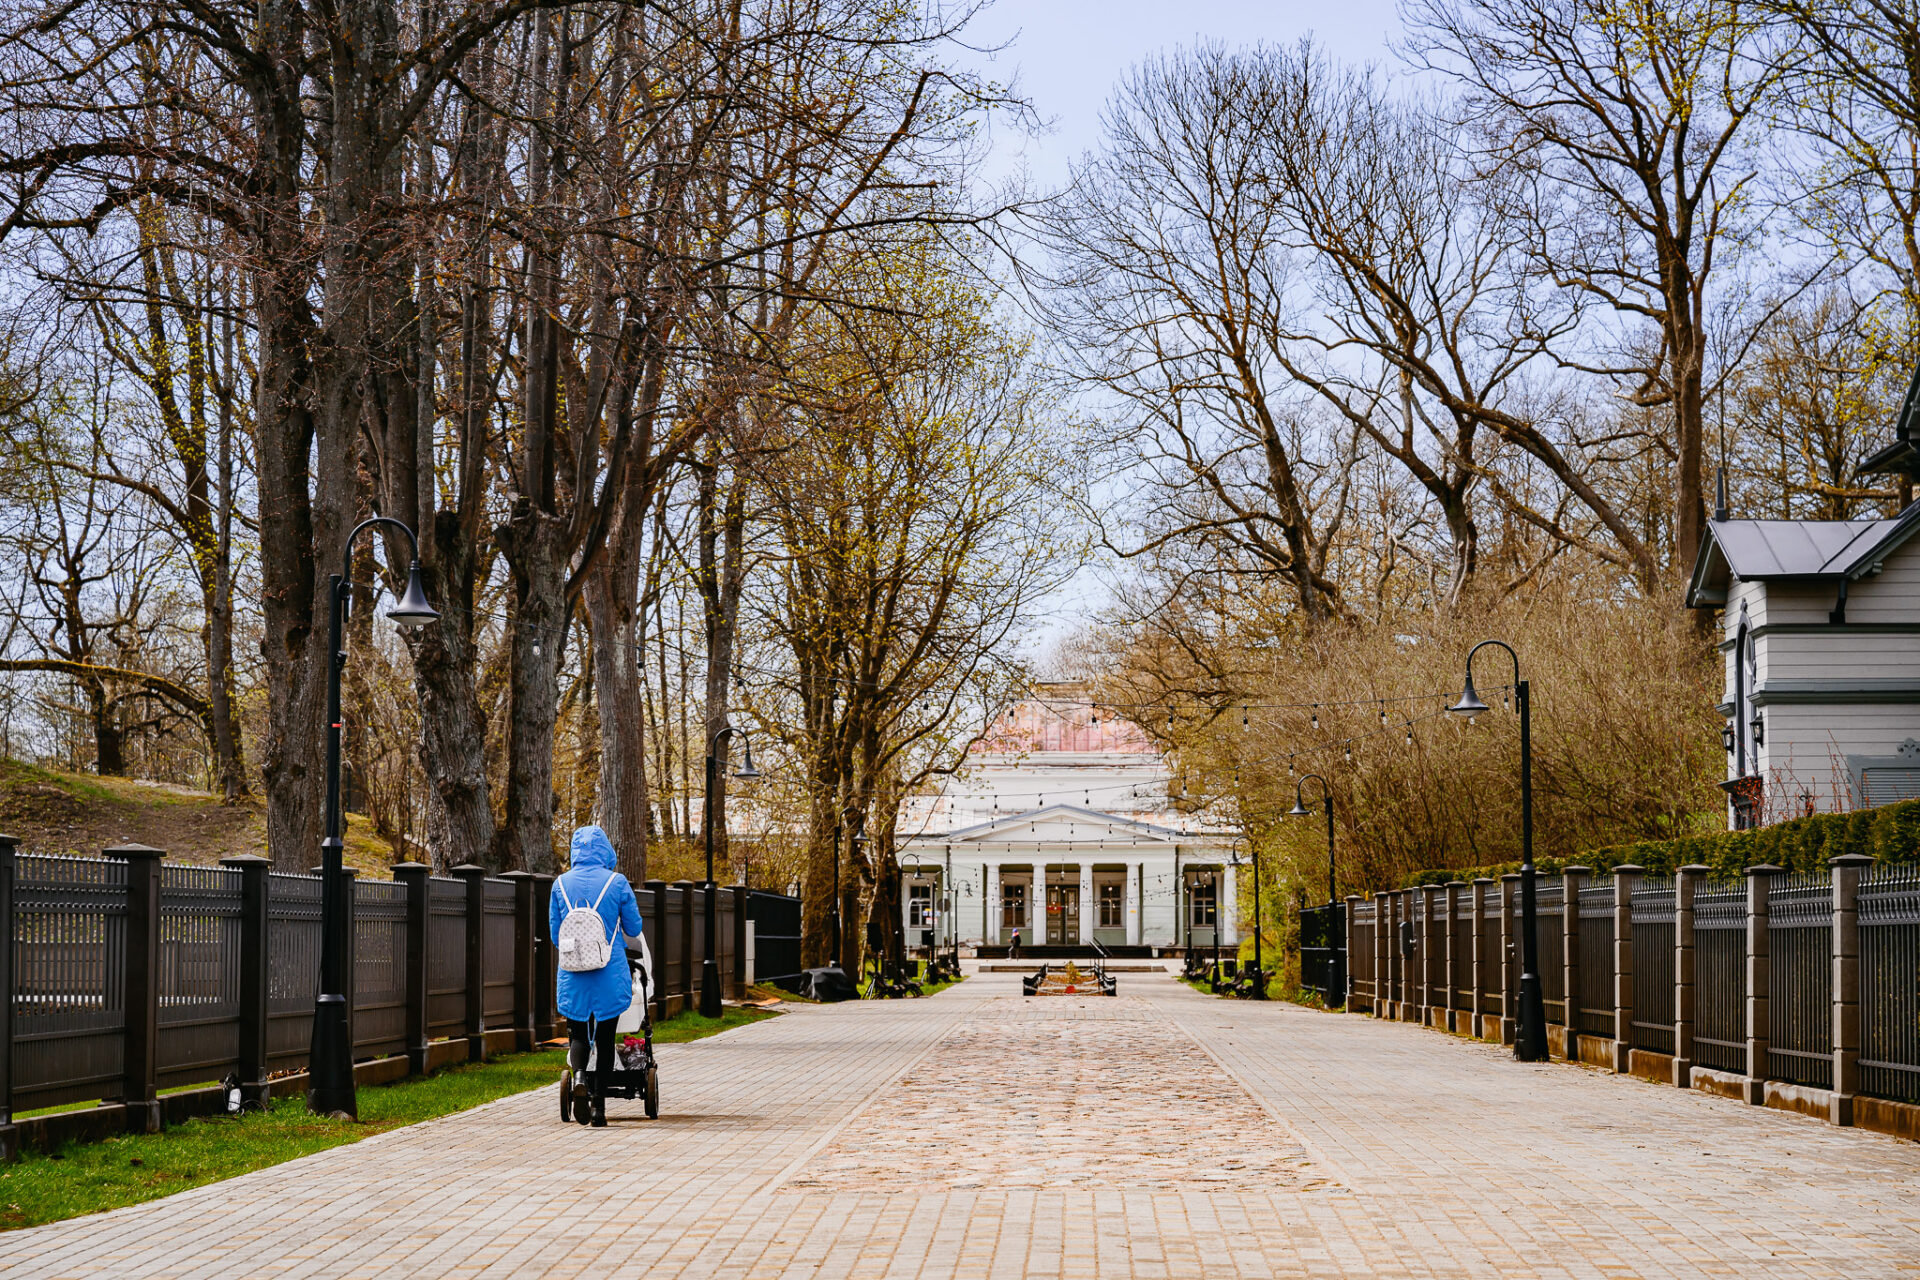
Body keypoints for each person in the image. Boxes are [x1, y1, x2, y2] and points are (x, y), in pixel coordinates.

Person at [550, 825, 642, 1127]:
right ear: (605, 849)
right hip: (608, 971)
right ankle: (599, 1108)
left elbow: (555, 934)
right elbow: (633, 928)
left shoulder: (560, 884)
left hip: (573, 972)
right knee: (604, 1038)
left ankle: (579, 1078)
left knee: (577, 1035)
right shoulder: (617, 882)